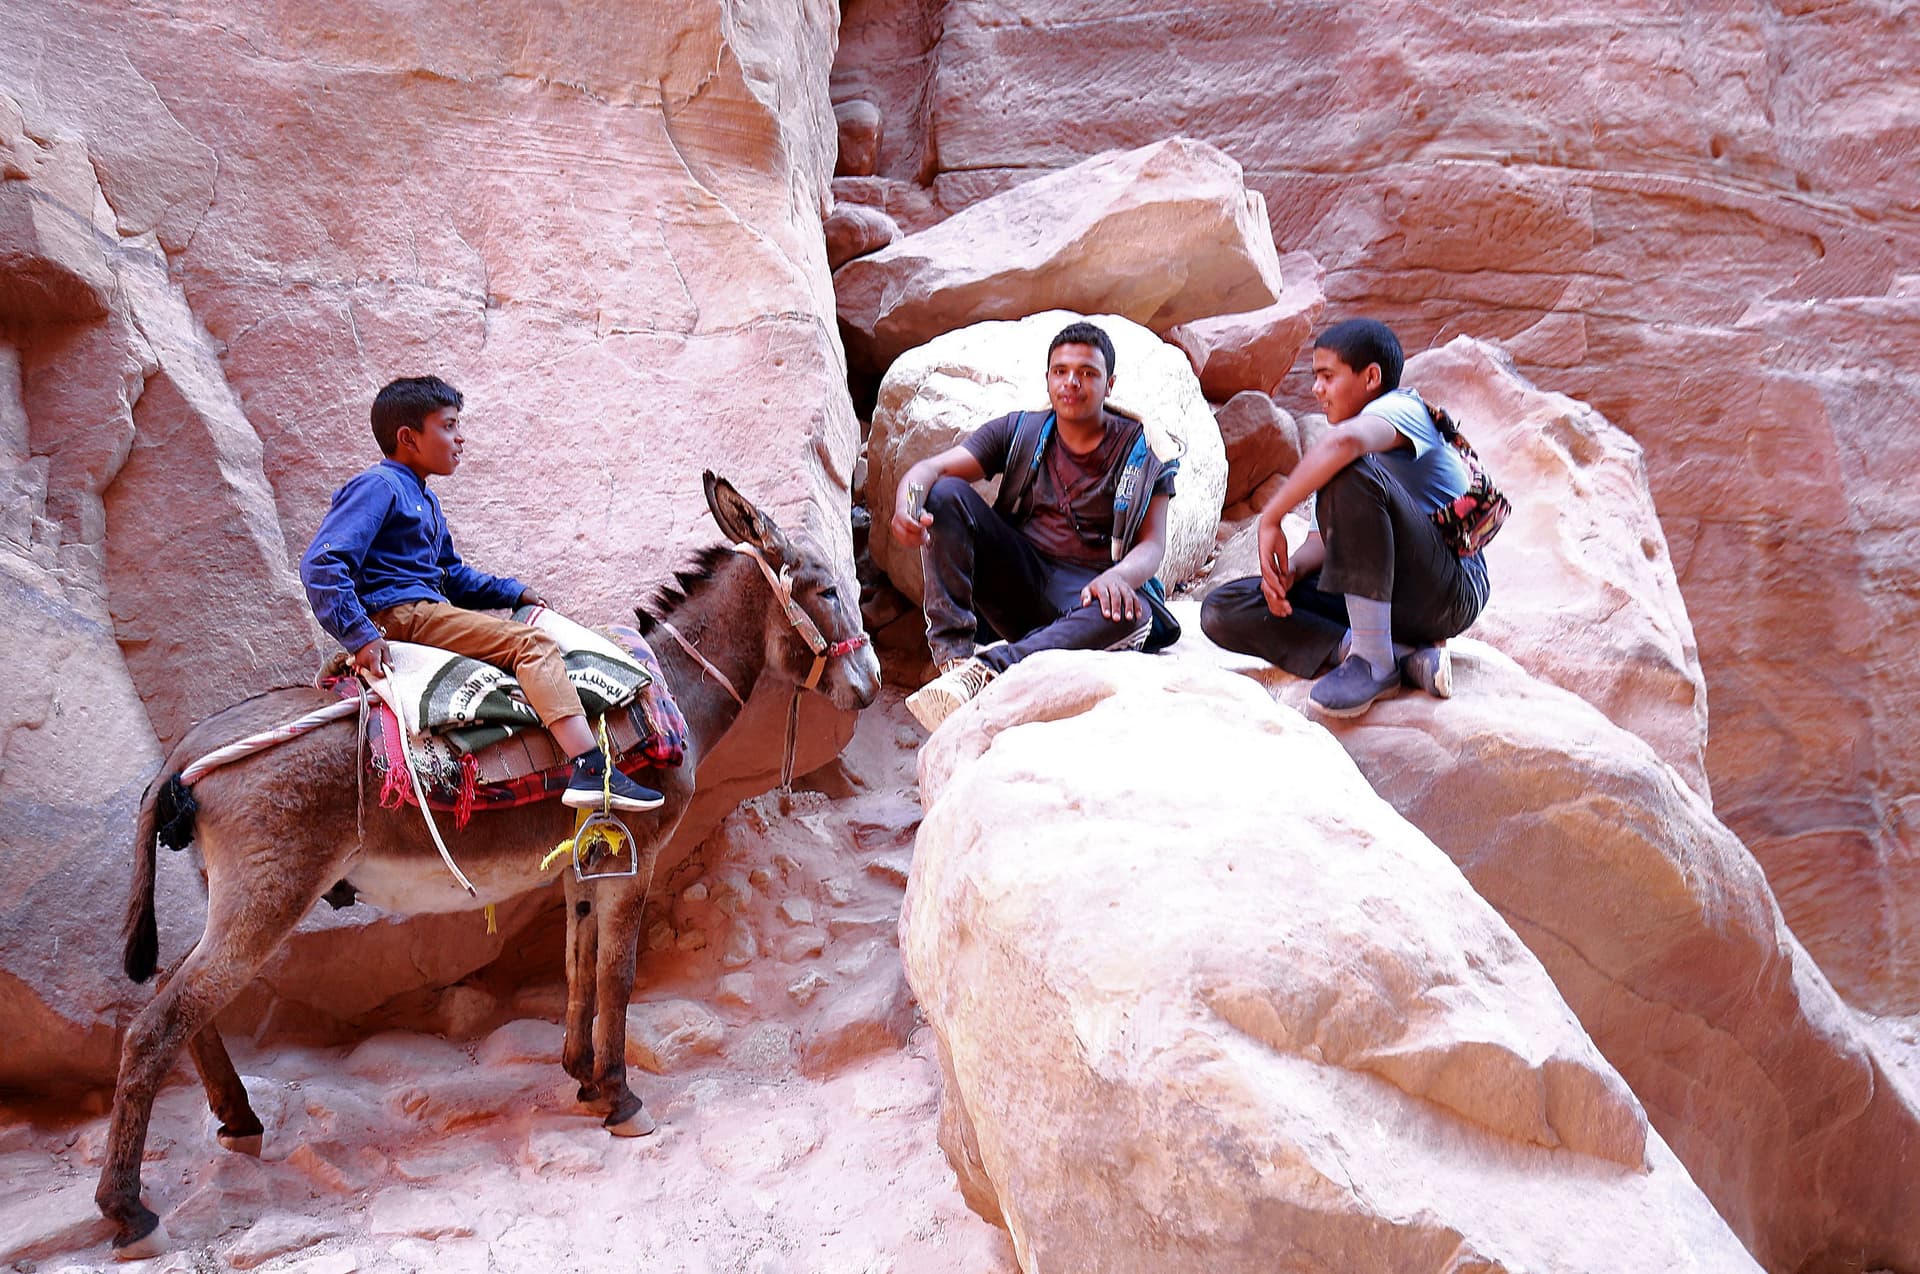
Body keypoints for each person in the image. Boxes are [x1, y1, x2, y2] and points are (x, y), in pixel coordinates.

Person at [300, 375, 663, 811]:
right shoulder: (379, 487)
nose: (460, 438)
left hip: (426, 610)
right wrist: (360, 634)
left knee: (523, 637)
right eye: (448, 425)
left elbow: (451, 575)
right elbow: (321, 563)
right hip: (402, 615)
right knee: (530, 646)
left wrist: (515, 593)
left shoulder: (425, 501)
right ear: (408, 438)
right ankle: (591, 768)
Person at [891, 321, 1179, 731]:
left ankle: (987, 671)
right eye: (1060, 371)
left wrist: (1119, 576)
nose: (1071, 382)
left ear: (1110, 384)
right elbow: (931, 469)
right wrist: (908, 502)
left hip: (1085, 594)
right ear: (1047, 378)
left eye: (1087, 373)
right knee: (944, 494)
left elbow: (1153, 545)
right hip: (1021, 581)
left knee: (1133, 614)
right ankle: (954, 661)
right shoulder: (1022, 430)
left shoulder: (1145, 450)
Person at [1199, 319, 1490, 717]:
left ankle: (1372, 663)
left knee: (1348, 469)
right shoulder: (1340, 453)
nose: (1316, 389)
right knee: (1223, 608)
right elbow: (1324, 543)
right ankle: (1401, 658)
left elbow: (1347, 445)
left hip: (1447, 591)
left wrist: (1272, 516)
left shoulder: (1400, 409)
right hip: (1377, 596)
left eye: (1327, 376)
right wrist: (1291, 574)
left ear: (1371, 377)